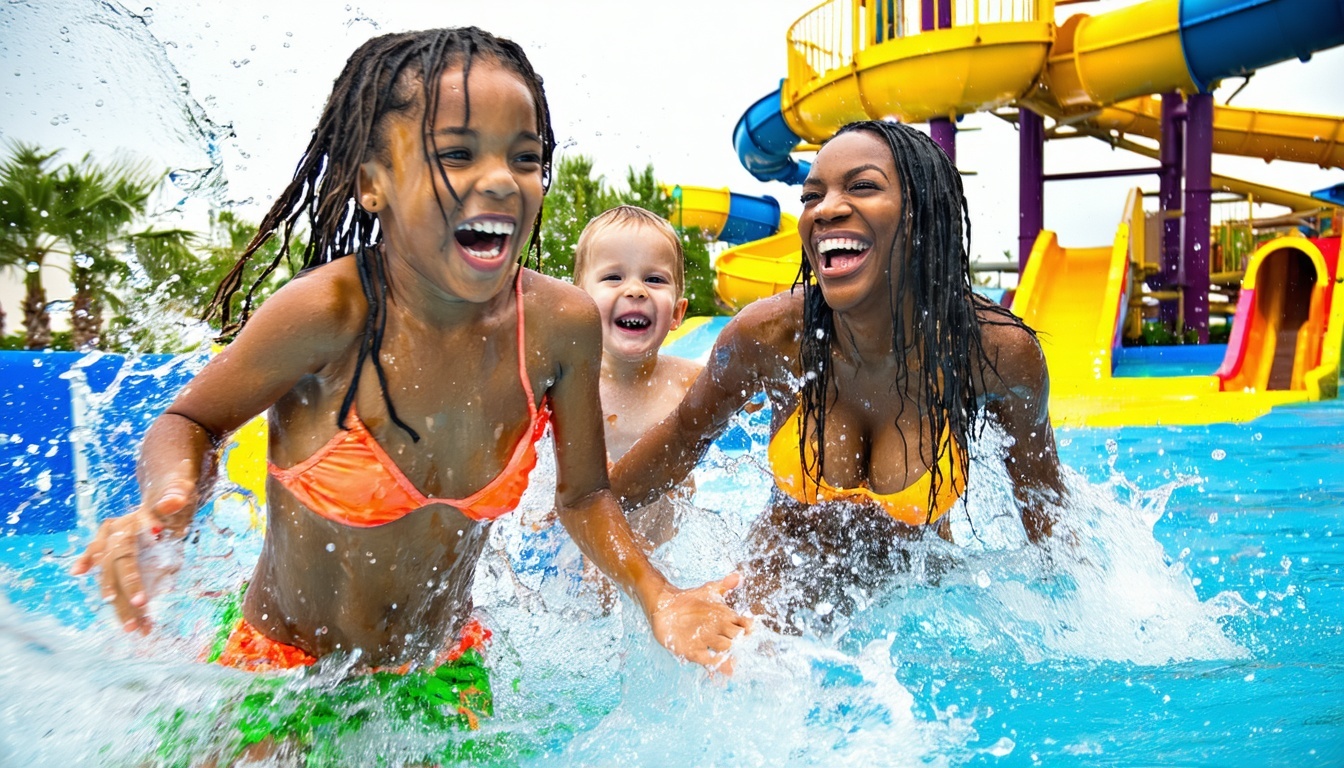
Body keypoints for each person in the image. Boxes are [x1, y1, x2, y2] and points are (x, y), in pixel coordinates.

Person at [69, 26, 749, 760]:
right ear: (373, 182)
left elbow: (583, 497)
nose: (499, 179)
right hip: (282, 680)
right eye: (456, 153)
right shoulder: (328, 316)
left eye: (526, 158)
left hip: (440, 678)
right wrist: (164, 510)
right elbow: (193, 419)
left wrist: (660, 597)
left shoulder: (558, 326)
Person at [610, 120, 1066, 631]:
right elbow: (681, 437)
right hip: (780, 591)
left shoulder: (995, 353)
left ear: (922, 216)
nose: (824, 209)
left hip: (918, 613)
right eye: (812, 196)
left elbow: (1045, 510)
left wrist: (1072, 613)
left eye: (863, 186)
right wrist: (582, 522)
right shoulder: (772, 336)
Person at [572, 205, 701, 549]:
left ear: (677, 313)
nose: (636, 290)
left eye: (654, 279)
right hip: (587, 546)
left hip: (667, 553)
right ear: (578, 302)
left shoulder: (689, 381)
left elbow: (752, 395)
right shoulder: (569, 386)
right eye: (613, 277)